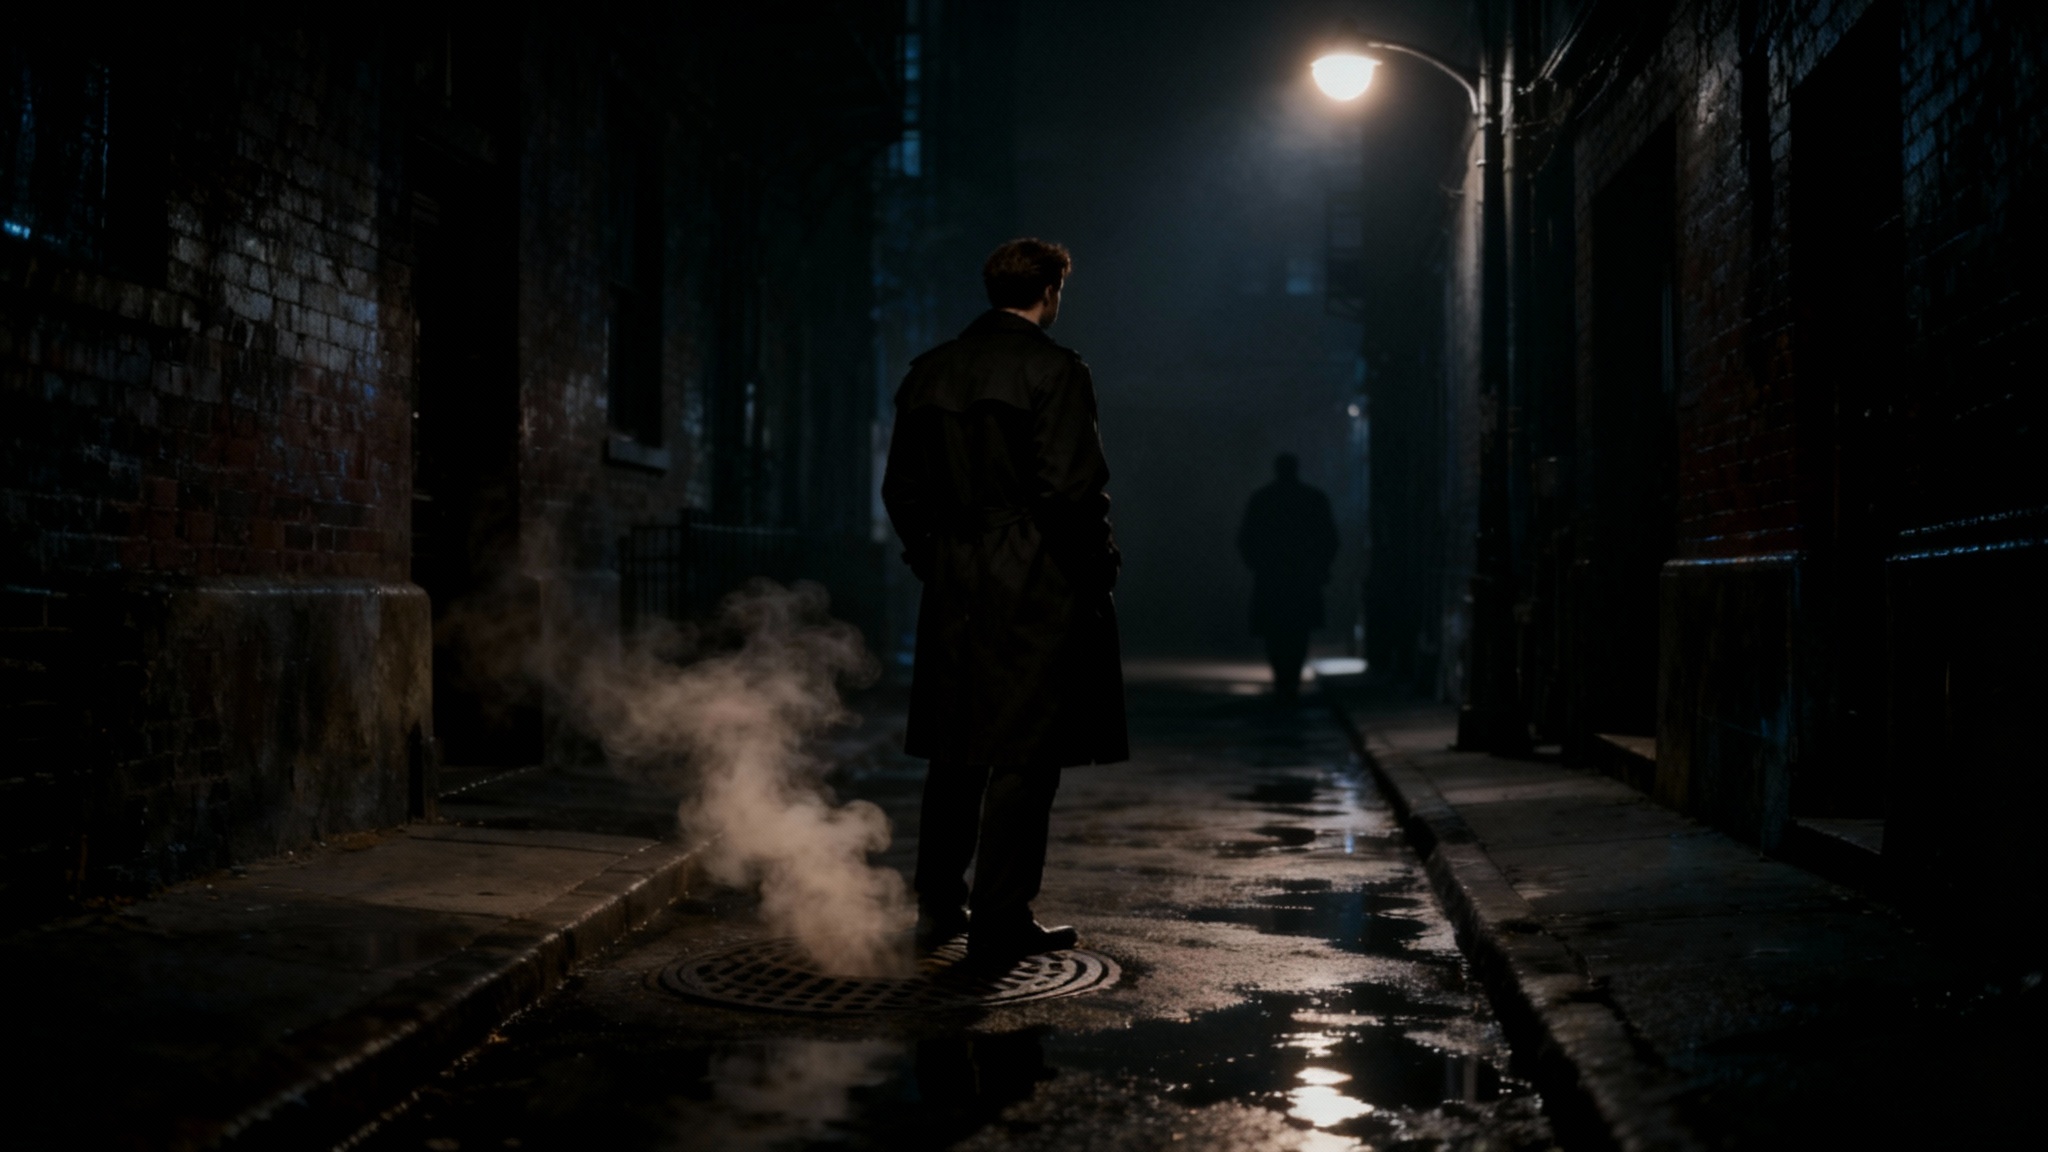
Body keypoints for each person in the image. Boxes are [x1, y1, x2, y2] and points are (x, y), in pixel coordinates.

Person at [881, 237, 1128, 967]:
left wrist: (939, 558)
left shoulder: (930, 372)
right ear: (1050, 291)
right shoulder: (1054, 369)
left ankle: (939, 903)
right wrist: (1096, 569)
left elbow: (901, 491)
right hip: (1035, 578)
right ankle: (1000, 917)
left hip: (957, 575)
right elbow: (1070, 490)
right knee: (1025, 752)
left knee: (957, 746)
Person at [1236, 453, 1339, 699]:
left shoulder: (1263, 499)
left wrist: (1259, 565)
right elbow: (1330, 539)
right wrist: (1320, 567)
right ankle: (1289, 678)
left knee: (1275, 632)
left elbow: (1246, 539)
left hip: (1272, 578)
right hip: (1303, 578)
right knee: (1298, 632)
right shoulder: (1312, 499)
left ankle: (1283, 677)